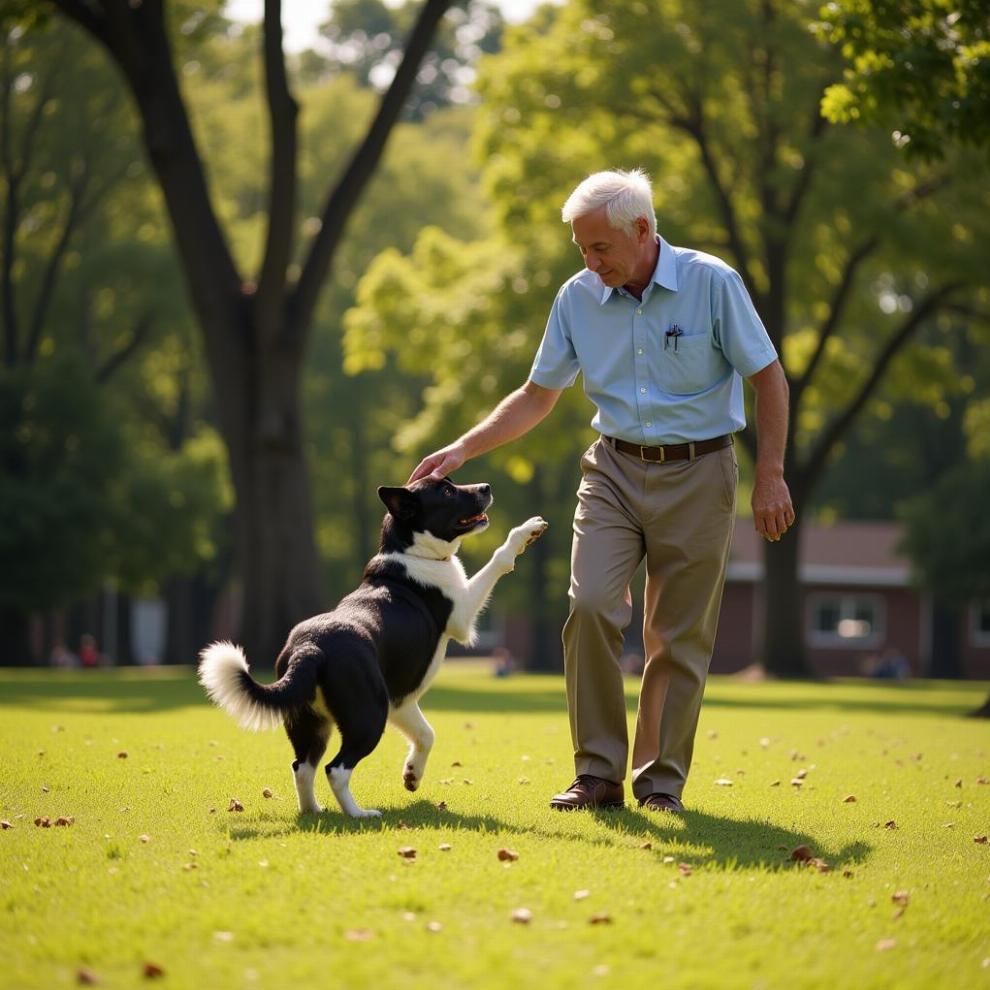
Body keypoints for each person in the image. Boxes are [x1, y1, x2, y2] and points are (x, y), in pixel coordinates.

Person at [408, 169, 794, 814]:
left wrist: (772, 474)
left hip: (701, 473)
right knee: (589, 604)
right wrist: (463, 449)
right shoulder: (578, 297)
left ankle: (661, 782)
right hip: (612, 469)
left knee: (676, 634)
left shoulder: (711, 283)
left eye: (601, 248)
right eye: (581, 249)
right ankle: (596, 774)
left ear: (642, 230)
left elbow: (771, 379)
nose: (590, 263)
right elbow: (537, 396)